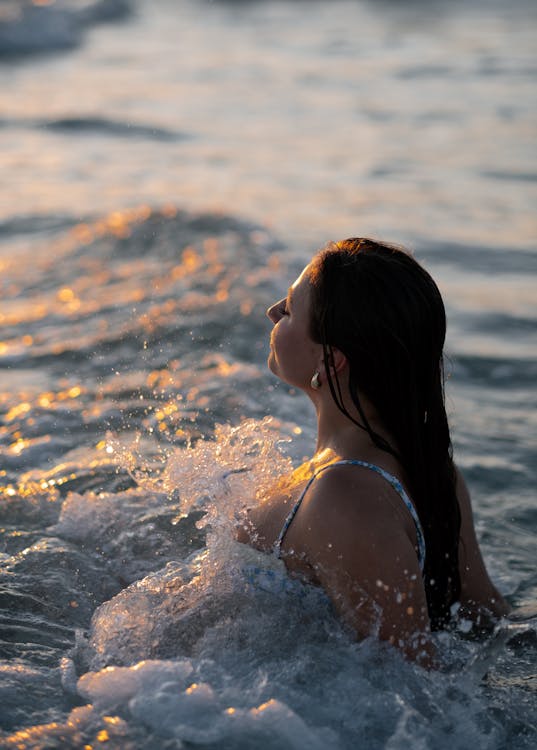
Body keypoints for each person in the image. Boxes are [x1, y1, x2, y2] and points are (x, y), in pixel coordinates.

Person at [237, 238, 509, 666]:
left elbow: (410, 684)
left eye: (289, 309)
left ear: (329, 363)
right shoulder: (430, 468)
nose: (273, 312)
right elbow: (486, 614)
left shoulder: (346, 498)